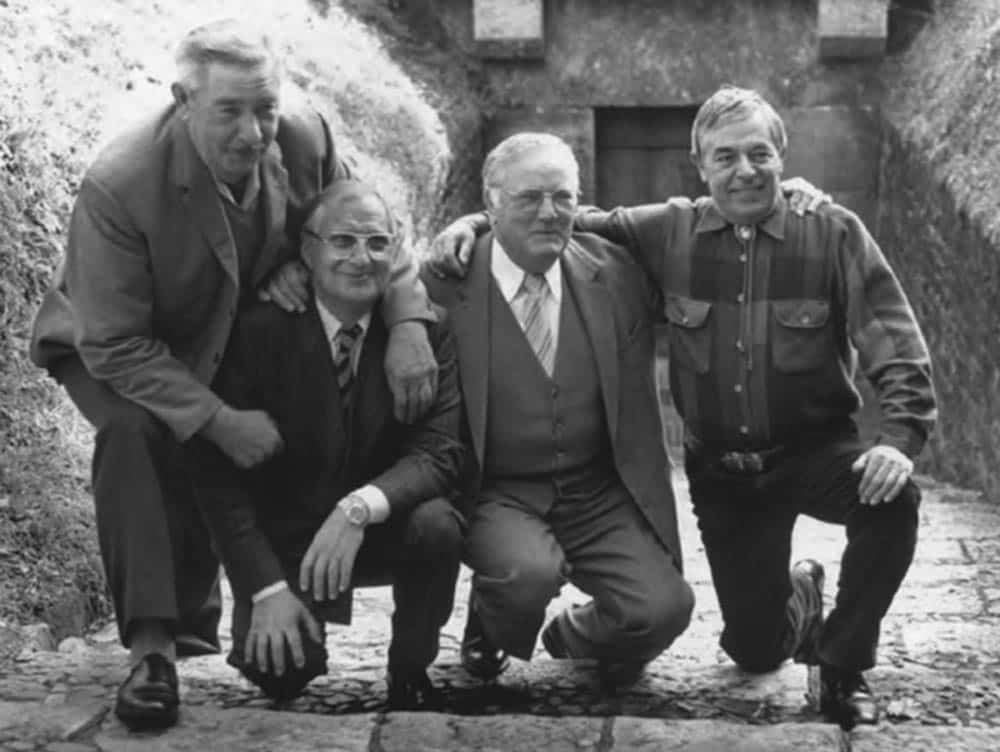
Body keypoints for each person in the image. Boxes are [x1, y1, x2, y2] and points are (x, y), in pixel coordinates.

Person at [434, 87, 937, 728]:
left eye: (760, 153)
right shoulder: (665, 230)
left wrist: (897, 436)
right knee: (754, 650)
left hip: (816, 451)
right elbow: (554, 218)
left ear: (783, 155)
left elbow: (893, 340)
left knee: (894, 500)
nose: (745, 170)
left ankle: (842, 665)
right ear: (699, 165)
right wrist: (474, 223)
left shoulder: (832, 231)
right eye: (725, 157)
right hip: (726, 477)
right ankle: (799, 597)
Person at [28, 19, 438, 731]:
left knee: (281, 659)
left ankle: (270, 585)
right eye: (230, 111)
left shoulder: (305, 137)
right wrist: (217, 419)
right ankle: (153, 649)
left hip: (241, 338)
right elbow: (117, 343)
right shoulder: (120, 185)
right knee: (137, 438)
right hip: (125, 342)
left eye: (266, 108)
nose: (254, 133)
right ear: (182, 100)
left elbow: (369, 227)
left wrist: (405, 322)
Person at [421, 132, 695, 691]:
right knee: (526, 575)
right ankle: (495, 613)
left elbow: (711, 229)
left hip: (597, 490)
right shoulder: (445, 285)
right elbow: (376, 283)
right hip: (498, 491)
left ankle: (572, 634)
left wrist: (785, 197)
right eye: (528, 198)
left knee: (663, 610)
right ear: (490, 203)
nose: (549, 213)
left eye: (563, 197)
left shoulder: (618, 271)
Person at [193, 180, 465, 710]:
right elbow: (216, 474)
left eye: (378, 243)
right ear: (308, 249)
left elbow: (440, 452)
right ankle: (288, 612)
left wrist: (359, 508)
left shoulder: (428, 333)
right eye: (342, 242)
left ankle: (410, 664)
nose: (361, 258)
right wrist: (266, 589)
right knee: (279, 675)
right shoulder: (255, 332)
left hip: (384, 525)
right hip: (288, 539)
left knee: (438, 525)